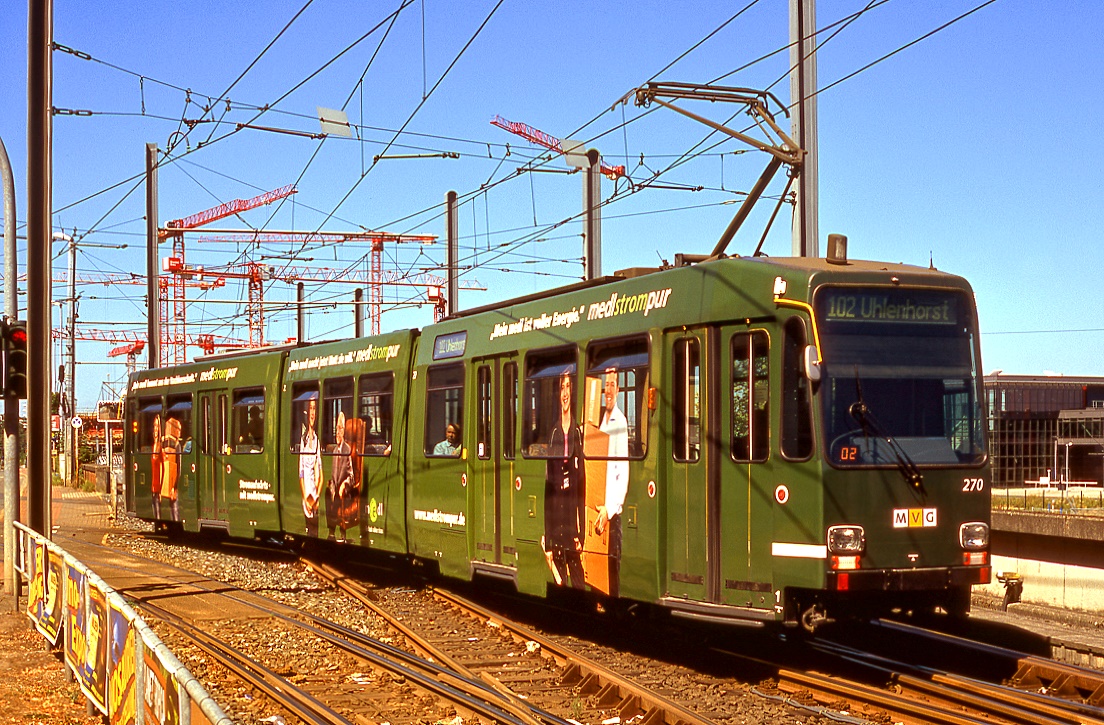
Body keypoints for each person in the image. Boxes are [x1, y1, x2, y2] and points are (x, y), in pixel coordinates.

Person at [541, 372, 586, 589]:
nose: (565, 393)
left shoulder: (577, 432)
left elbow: (582, 486)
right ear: (558, 394)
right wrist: (548, 537)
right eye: (561, 388)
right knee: (561, 584)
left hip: (572, 524)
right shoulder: (553, 434)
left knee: (578, 581)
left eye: (568, 387)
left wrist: (581, 533)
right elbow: (548, 490)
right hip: (557, 523)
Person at [596, 368, 628, 597]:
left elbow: (622, 471)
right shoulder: (597, 420)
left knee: (610, 569)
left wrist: (609, 509)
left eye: (612, 385)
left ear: (617, 390)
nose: (608, 389)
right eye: (605, 384)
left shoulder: (621, 422)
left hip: (610, 513)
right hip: (596, 507)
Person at [326, 411, 354, 542]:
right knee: (327, 494)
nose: (338, 432)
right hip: (336, 490)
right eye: (337, 428)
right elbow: (333, 477)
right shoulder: (335, 450)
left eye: (341, 429)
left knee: (338, 497)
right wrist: (332, 488)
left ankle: (343, 534)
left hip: (345, 491)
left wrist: (344, 484)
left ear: (344, 432)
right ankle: (331, 532)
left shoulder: (347, 450)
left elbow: (351, 476)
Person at [299, 397, 322, 536]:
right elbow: (301, 473)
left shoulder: (318, 440)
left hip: (314, 495)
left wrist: (316, 497)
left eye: (314, 409)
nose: (313, 413)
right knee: (310, 530)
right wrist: (305, 499)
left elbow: (319, 473)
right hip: (306, 495)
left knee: (315, 531)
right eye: (310, 409)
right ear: (307, 413)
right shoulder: (303, 440)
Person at [161, 417, 181, 521]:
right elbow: (179, 466)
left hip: (167, 482)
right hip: (173, 481)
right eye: (178, 429)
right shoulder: (176, 445)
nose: (180, 432)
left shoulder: (164, 443)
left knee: (173, 508)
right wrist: (175, 487)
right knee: (174, 508)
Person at [151, 415, 163, 519]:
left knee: (158, 512)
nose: (155, 429)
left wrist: (161, 489)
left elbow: (163, 468)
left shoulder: (161, 446)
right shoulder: (153, 446)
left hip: (158, 486)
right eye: (154, 426)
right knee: (154, 509)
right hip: (153, 485)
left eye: (157, 426)